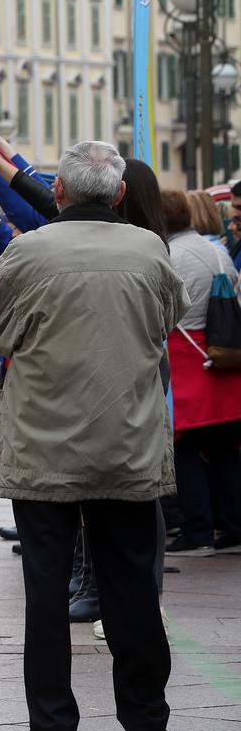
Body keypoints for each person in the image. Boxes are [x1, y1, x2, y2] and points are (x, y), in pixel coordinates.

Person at [0, 141, 186, 731]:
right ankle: (148, 725)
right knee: (133, 593)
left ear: (58, 193)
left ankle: (53, 730)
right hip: (128, 445)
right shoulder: (151, 251)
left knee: (46, 594)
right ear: (119, 195)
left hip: (44, 448)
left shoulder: (29, 251)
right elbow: (169, 321)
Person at [161, 189, 241, 556]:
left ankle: (198, 530)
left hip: (188, 358)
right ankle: (233, 527)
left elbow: (165, 312)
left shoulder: (172, 256)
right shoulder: (219, 249)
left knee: (186, 449)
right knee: (225, 448)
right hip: (223, 357)